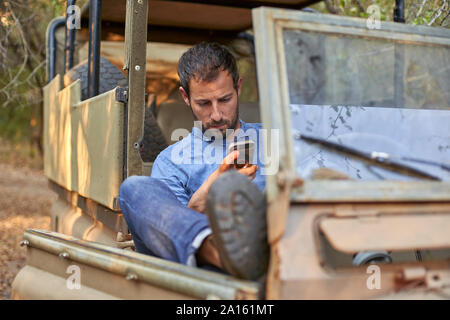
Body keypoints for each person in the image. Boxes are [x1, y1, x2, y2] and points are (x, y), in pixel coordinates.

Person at [118, 42, 267, 274]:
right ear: (185, 97)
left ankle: (252, 258)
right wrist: (210, 190)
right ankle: (224, 255)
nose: (216, 114)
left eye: (225, 99)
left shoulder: (275, 139)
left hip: (279, 250)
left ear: (238, 88)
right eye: (204, 103)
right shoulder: (171, 162)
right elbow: (167, 239)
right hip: (206, 271)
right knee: (134, 188)